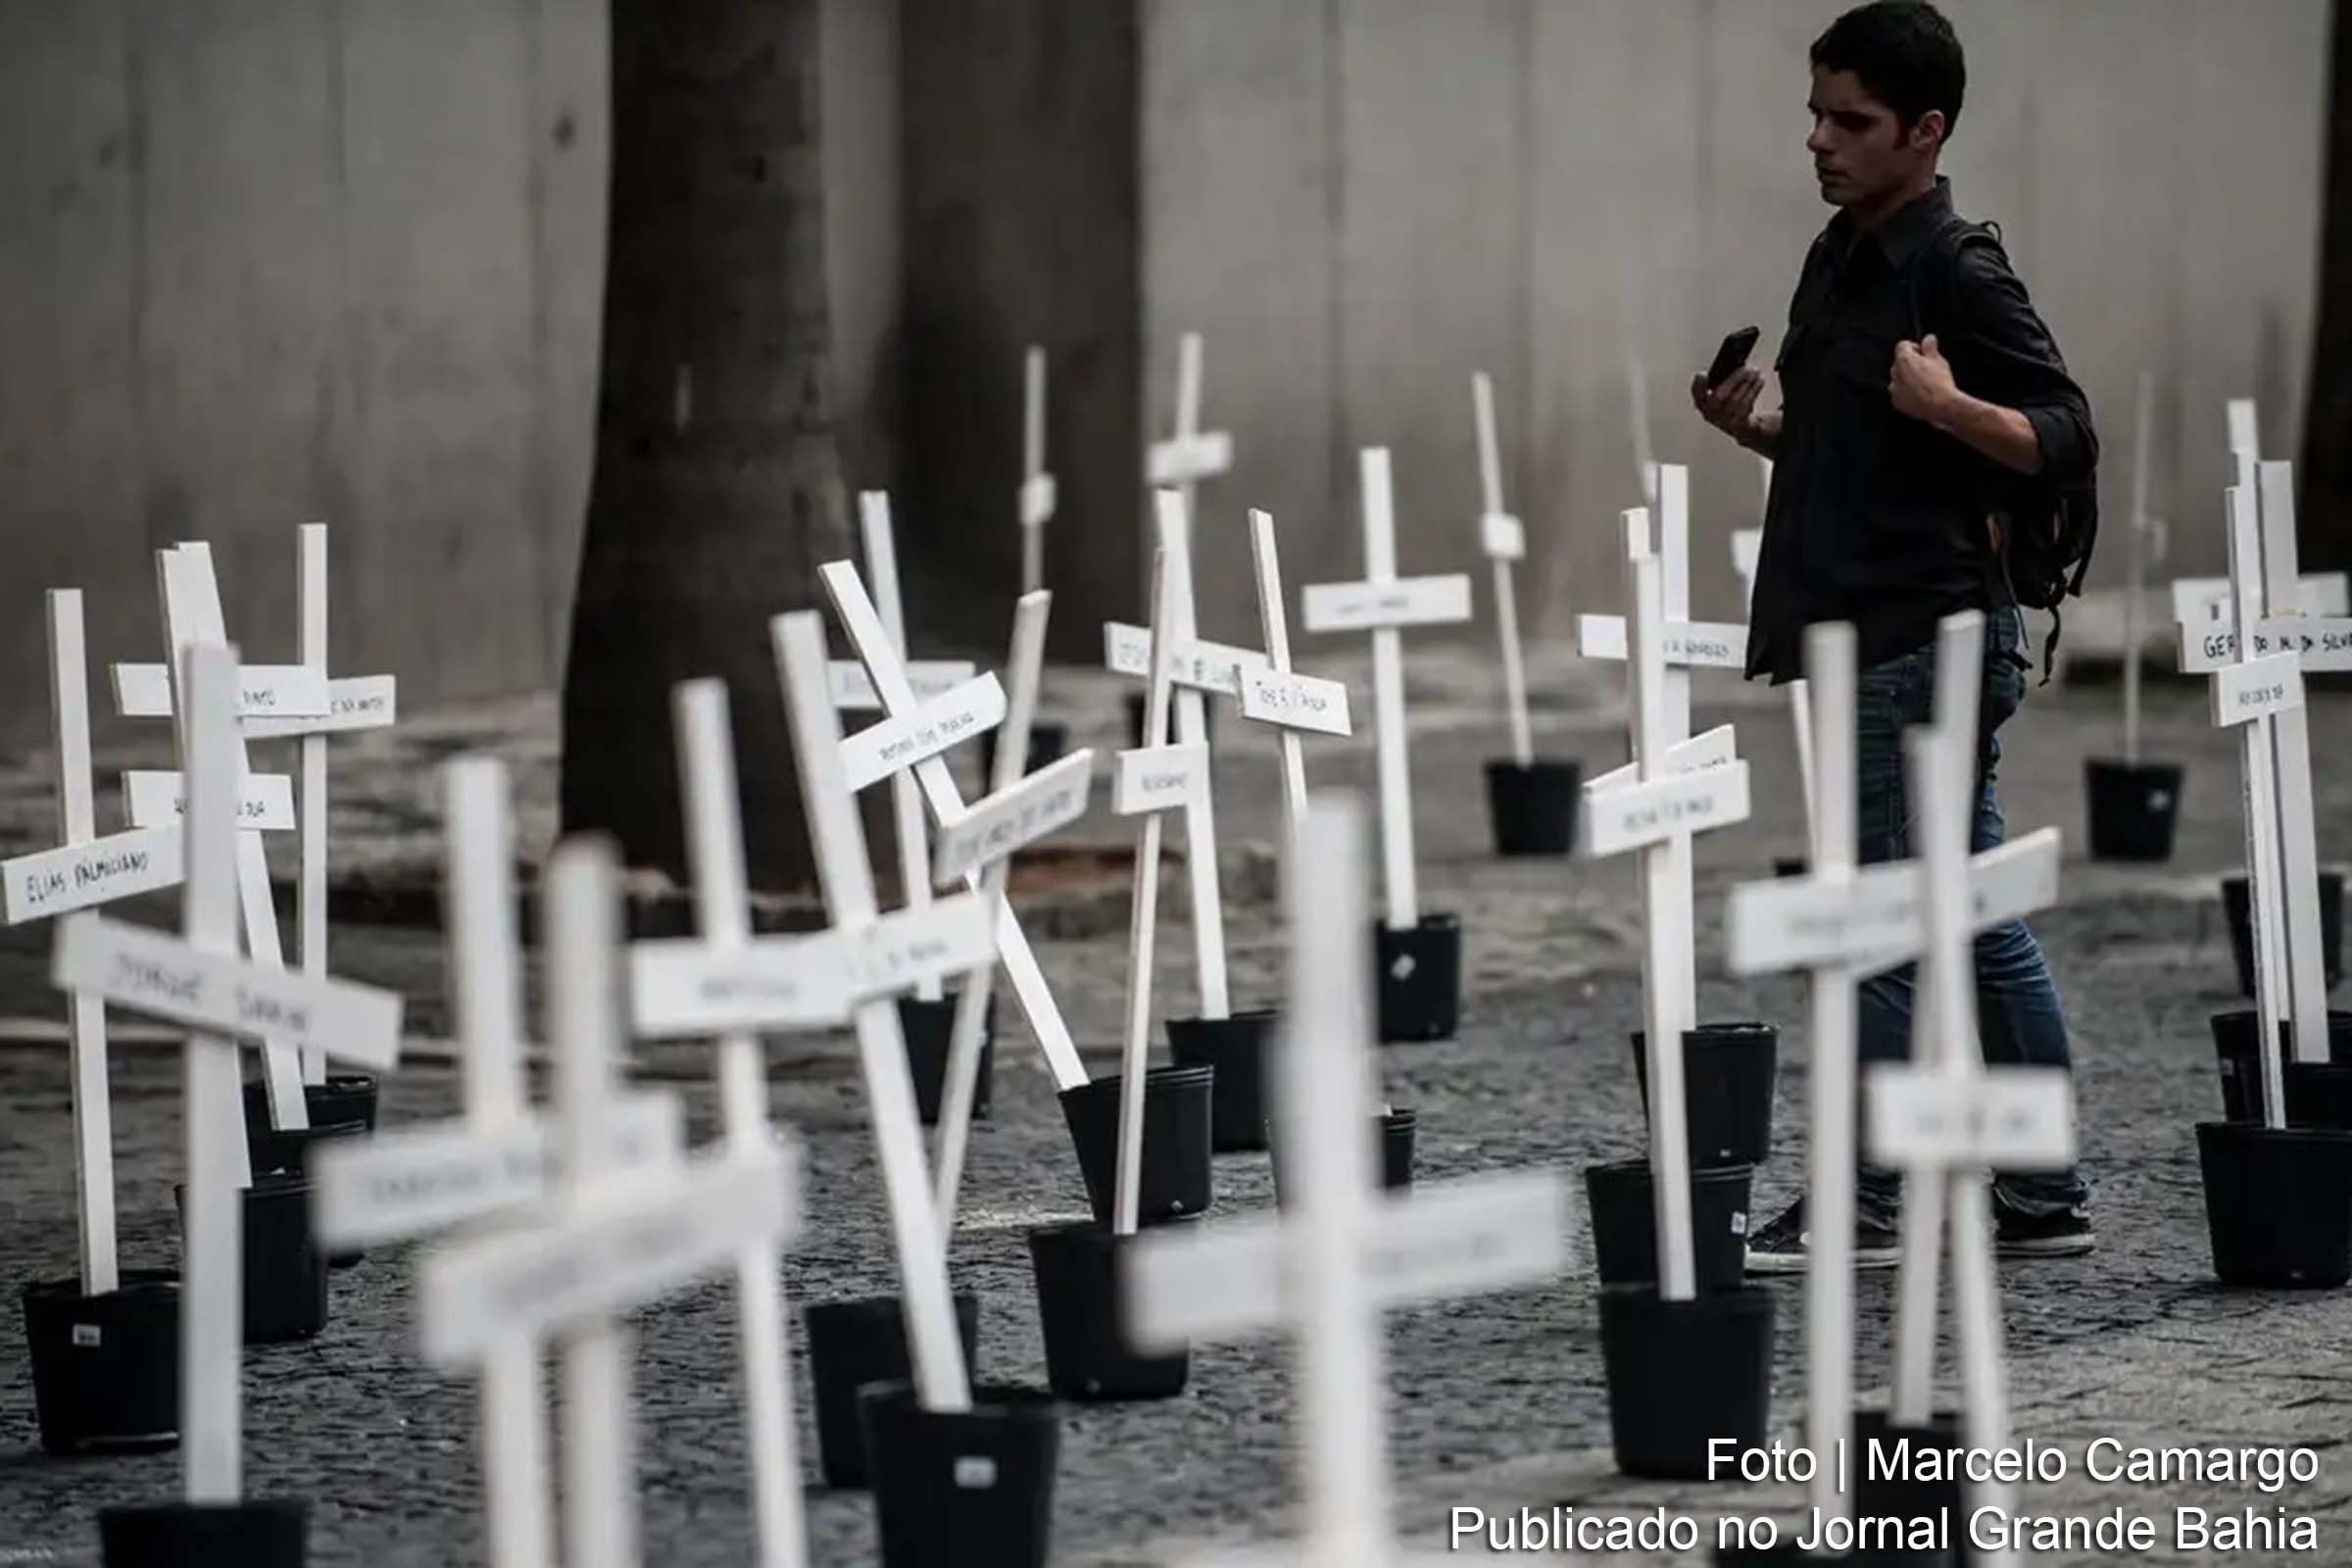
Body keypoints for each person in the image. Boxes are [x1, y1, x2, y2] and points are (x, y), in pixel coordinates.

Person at [1690, 0, 2096, 1269]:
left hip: (1923, 637)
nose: (1820, 139)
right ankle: (2041, 1191)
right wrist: (1755, 428)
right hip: (1863, 626)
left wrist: (1953, 402)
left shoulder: (1955, 267)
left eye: (1850, 121)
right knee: (1965, 908)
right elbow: (1862, 445)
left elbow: (2065, 430)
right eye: (1815, 113)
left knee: (1879, 917)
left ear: (1924, 132)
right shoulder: (1839, 253)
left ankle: (1868, 1197)